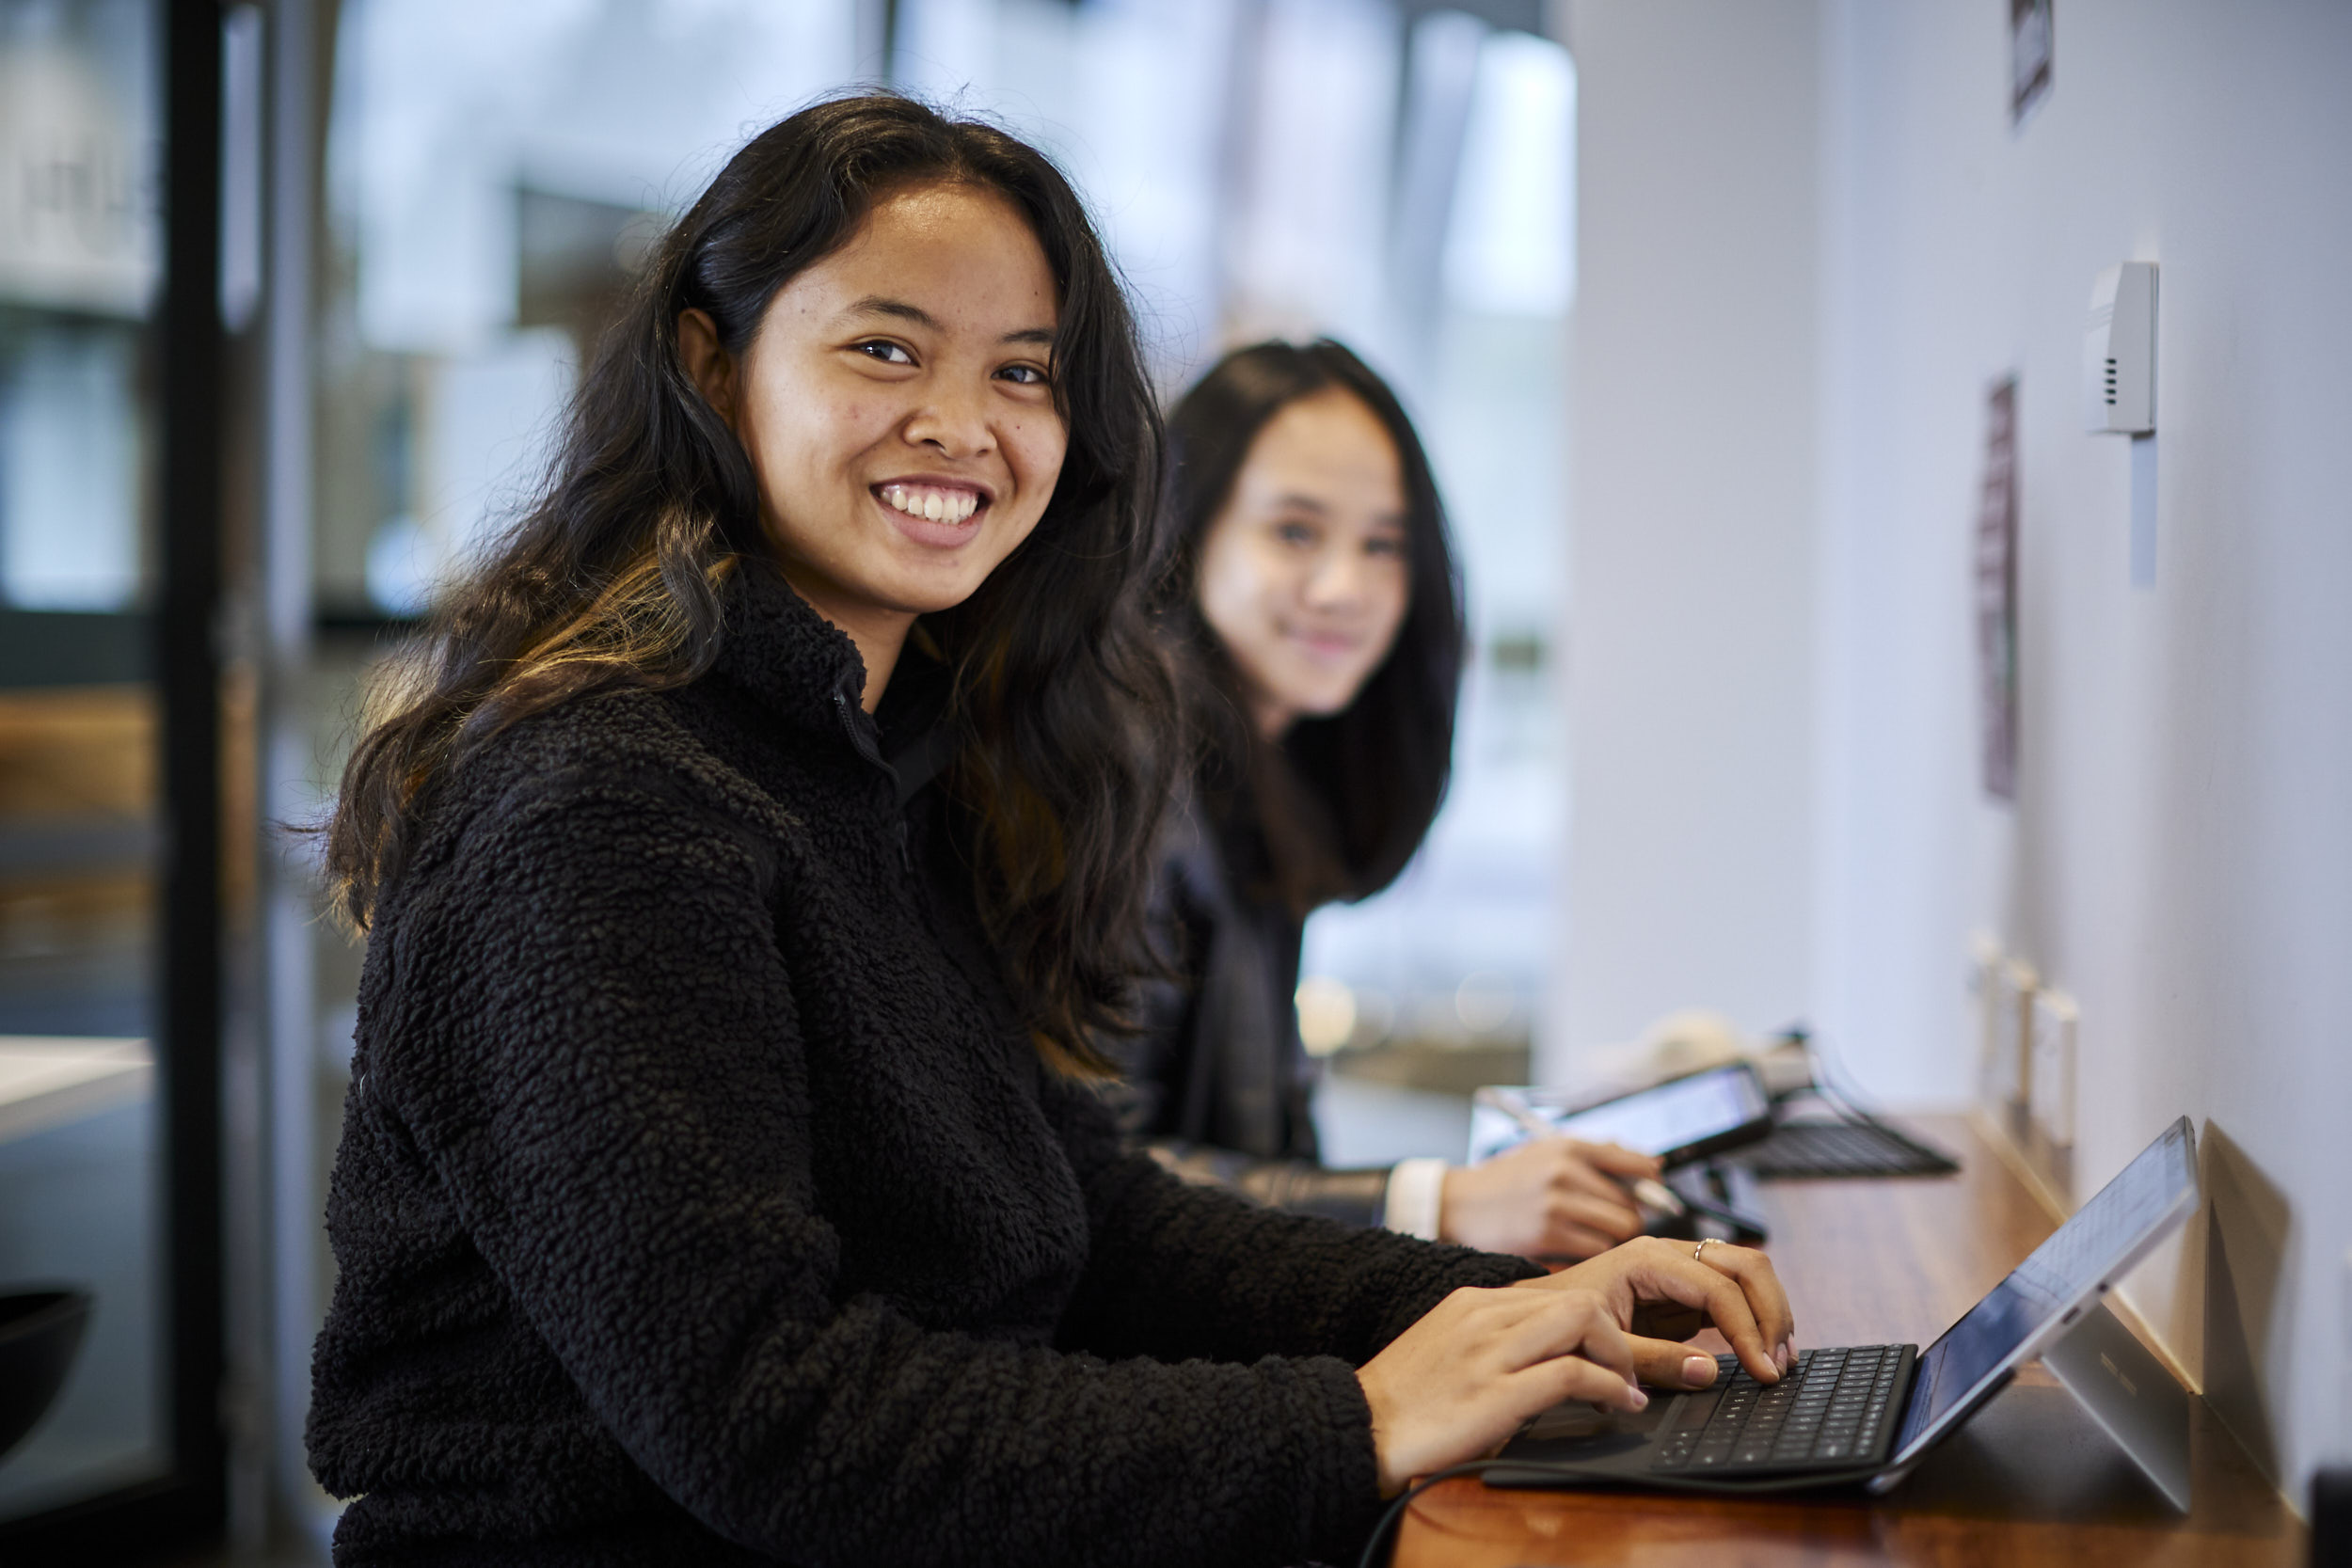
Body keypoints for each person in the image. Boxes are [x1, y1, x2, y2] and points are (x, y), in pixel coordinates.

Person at [306, 95, 1795, 1567]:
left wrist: (1501, 1305)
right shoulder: (600, 803)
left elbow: (1092, 1220)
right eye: (885, 347)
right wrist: (1355, 1418)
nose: (961, 424)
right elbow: (775, 1417)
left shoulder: (884, 761)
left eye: (1023, 371)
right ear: (714, 358)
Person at [1120, 340, 1662, 1260]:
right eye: (1295, 531)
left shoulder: (1258, 775)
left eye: (1383, 545)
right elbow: (1091, 1178)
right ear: (1185, 525)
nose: (1345, 589)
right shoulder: (1129, 766)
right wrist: (1436, 1202)